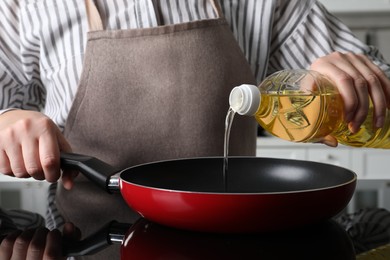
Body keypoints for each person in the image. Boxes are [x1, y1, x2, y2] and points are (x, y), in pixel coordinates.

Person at [0, 0, 390, 259]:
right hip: (84, 237)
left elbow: (378, 93)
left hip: (243, 239)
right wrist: (5, 119)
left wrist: (352, 83)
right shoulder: (27, 6)